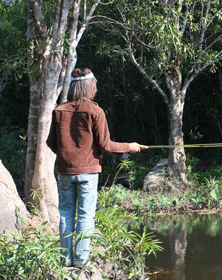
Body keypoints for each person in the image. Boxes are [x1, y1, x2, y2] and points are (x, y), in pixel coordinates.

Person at [47, 67, 147, 267]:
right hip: (88, 172)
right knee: (85, 214)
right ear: (89, 86)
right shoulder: (95, 111)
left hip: (65, 171)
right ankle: (81, 259)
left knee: (66, 213)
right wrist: (130, 147)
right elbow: (106, 145)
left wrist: (68, 154)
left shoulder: (58, 111)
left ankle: (64, 259)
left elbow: (51, 143)